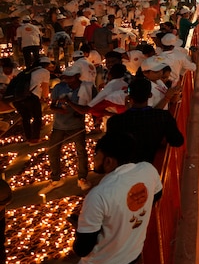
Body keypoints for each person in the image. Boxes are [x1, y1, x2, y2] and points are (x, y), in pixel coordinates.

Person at [66, 131, 162, 264]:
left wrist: (80, 229)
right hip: (133, 254)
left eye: (96, 154)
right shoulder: (148, 170)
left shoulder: (98, 195)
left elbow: (82, 249)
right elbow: (155, 196)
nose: (93, 159)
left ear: (109, 161)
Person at [40, 62, 93, 195]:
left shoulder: (86, 88)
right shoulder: (59, 87)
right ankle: (56, 178)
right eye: (65, 77)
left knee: (81, 151)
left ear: (78, 76)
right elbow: (51, 106)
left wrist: (70, 103)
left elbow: (89, 107)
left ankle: (82, 177)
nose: (67, 80)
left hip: (76, 125)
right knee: (53, 150)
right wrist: (58, 109)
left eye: (70, 77)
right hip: (59, 125)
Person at [106, 77, 184, 164]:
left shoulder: (115, 121)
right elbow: (177, 141)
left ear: (129, 96)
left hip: (126, 168)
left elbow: (110, 149)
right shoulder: (162, 116)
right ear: (150, 95)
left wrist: (128, 112)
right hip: (154, 166)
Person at [13, 56, 52, 145]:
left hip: (18, 98)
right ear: (46, 65)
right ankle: (35, 138)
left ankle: (28, 138)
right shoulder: (44, 72)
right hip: (32, 97)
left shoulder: (28, 71)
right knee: (37, 117)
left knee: (25, 118)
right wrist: (45, 98)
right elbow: (45, 87)